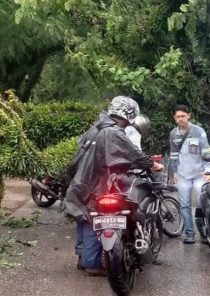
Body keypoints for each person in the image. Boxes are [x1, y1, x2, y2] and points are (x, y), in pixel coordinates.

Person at [64, 96, 163, 276]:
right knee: (96, 220)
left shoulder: (96, 128)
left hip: (81, 181)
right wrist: (153, 165)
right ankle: (92, 264)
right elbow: (134, 154)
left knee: (83, 218)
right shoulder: (114, 132)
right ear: (128, 115)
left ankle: (82, 258)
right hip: (94, 183)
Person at [169, 104, 210, 244]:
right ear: (174, 118)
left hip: (199, 174)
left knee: (201, 203)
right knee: (185, 205)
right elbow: (173, 155)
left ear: (189, 116)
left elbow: (205, 151)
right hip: (182, 175)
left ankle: (205, 233)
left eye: (183, 116)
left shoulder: (198, 131)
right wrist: (174, 173)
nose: (180, 119)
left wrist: (208, 171)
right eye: (177, 117)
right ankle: (189, 233)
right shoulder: (173, 134)